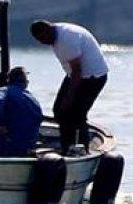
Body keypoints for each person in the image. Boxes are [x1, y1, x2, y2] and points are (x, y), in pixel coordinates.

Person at [29, 19, 109, 154]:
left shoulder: (66, 40)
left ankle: (81, 149)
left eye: (42, 39)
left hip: (92, 77)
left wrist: (69, 98)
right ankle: (67, 145)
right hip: (76, 74)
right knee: (59, 110)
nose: (42, 42)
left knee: (77, 114)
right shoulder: (57, 34)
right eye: (38, 40)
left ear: (48, 30)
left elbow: (77, 70)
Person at [0, 66, 43, 157]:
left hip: (8, 144)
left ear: (9, 80)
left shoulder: (3, 91)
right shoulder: (32, 98)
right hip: (29, 146)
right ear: (26, 82)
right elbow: (39, 118)